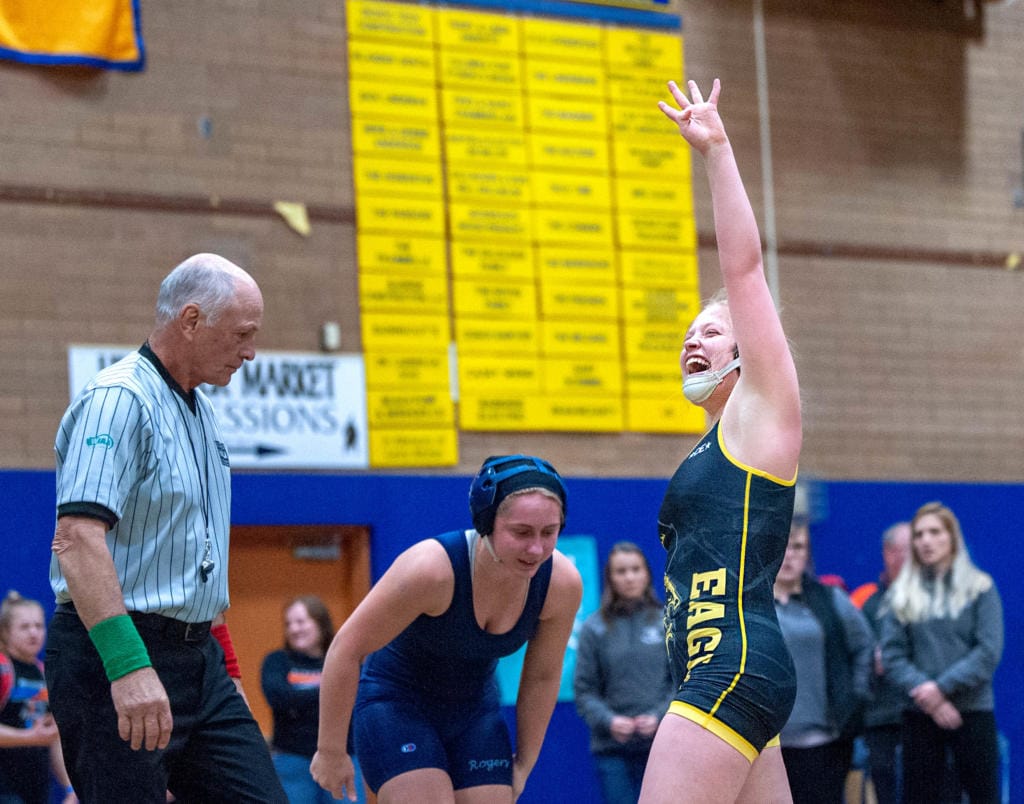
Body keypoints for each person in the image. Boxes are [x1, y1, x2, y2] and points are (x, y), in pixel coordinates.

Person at [46, 253, 287, 803]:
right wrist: (127, 665)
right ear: (192, 319)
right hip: (114, 654)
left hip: (200, 664)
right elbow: (77, 541)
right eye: (243, 334)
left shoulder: (202, 413)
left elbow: (196, 570)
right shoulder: (118, 400)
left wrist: (227, 674)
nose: (251, 352)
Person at [640, 78, 802, 804]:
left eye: (710, 330)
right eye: (687, 335)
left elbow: (743, 269)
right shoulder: (711, 444)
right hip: (725, 672)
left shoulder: (762, 414)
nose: (691, 341)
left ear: (748, 352)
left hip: (730, 667)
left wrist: (716, 150)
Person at [311, 455, 583, 803]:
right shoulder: (431, 569)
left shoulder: (560, 584)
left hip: (474, 712)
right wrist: (331, 749)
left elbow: (543, 675)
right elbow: (345, 649)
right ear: (486, 521)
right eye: (521, 532)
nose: (536, 548)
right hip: (396, 705)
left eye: (550, 532)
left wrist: (525, 763)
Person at [880, 502, 1003, 804]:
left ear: (952, 538)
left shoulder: (981, 588)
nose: (925, 540)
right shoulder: (901, 594)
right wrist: (931, 700)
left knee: (983, 796)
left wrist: (940, 689)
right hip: (919, 715)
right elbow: (892, 656)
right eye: (919, 534)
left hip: (973, 713)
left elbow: (988, 652)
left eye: (934, 532)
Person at [773, 520, 873, 804]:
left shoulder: (831, 599)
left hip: (823, 741)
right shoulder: (748, 602)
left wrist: (855, 699)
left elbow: (864, 647)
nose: (789, 554)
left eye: (798, 547)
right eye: (781, 546)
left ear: (808, 554)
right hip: (764, 744)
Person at [573, 542, 674, 804]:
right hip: (612, 751)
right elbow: (585, 691)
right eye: (621, 571)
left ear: (647, 574)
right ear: (610, 577)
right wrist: (610, 721)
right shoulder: (593, 629)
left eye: (635, 569)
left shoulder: (668, 623)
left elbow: (682, 684)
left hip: (663, 746)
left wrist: (659, 716)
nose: (629, 577)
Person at [261, 595, 366, 804]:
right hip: (291, 760)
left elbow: (358, 696)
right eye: (289, 623)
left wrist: (300, 701)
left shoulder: (342, 661)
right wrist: (333, 695)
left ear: (320, 623)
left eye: (301, 622)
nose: (294, 629)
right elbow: (280, 698)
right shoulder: (277, 661)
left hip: (342, 758)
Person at [855, 522, 912, 804]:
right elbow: (858, 658)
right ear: (889, 554)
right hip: (881, 717)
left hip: (925, 717)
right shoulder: (867, 601)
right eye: (905, 551)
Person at [0, 592, 75, 804]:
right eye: (24, 627)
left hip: (36, 791)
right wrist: (29, 737)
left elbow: (53, 738)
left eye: (39, 626)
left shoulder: (44, 674)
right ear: (5, 632)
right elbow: (38, 736)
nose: (34, 633)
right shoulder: (3, 668)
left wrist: (70, 788)